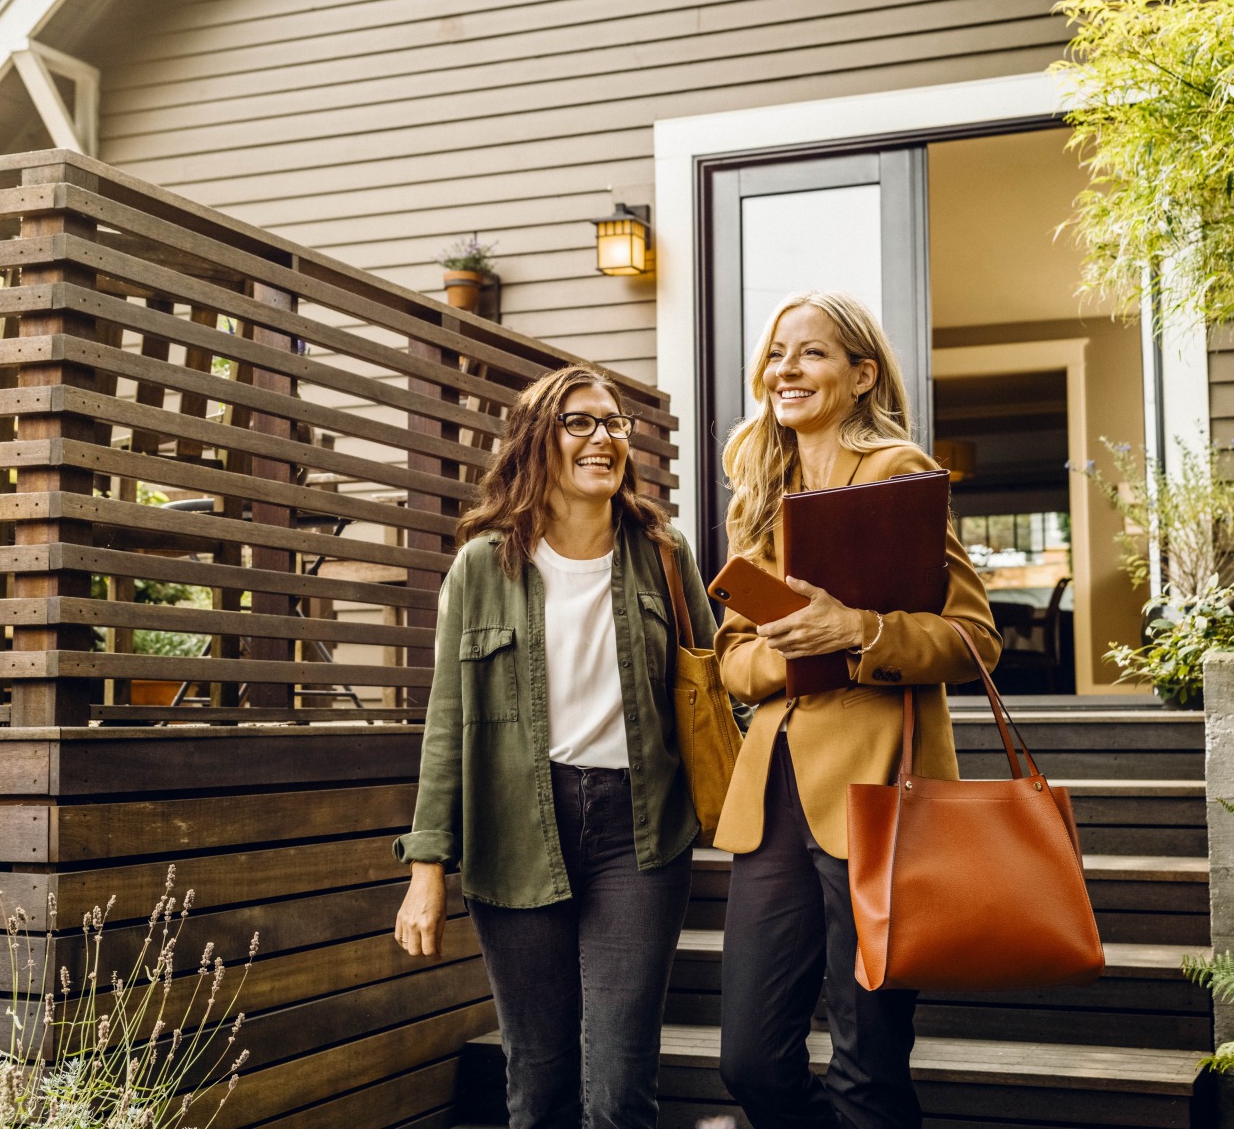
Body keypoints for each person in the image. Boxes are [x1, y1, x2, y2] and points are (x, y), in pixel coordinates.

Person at [393, 363, 715, 1129]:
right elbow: (448, 719)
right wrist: (426, 867)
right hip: (515, 830)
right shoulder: (483, 566)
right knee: (537, 1085)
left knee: (617, 1086)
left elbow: (715, 680)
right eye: (581, 422)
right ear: (539, 441)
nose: (604, 438)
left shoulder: (663, 553)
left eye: (615, 423)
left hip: (639, 834)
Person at [712, 290, 1002, 1129]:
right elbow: (735, 658)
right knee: (750, 1063)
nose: (786, 370)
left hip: (878, 795)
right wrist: (785, 653)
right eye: (776, 354)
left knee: (867, 1066)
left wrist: (860, 631)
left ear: (861, 373)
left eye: (811, 353)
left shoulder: (896, 472)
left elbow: (975, 638)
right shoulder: (762, 491)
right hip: (771, 800)